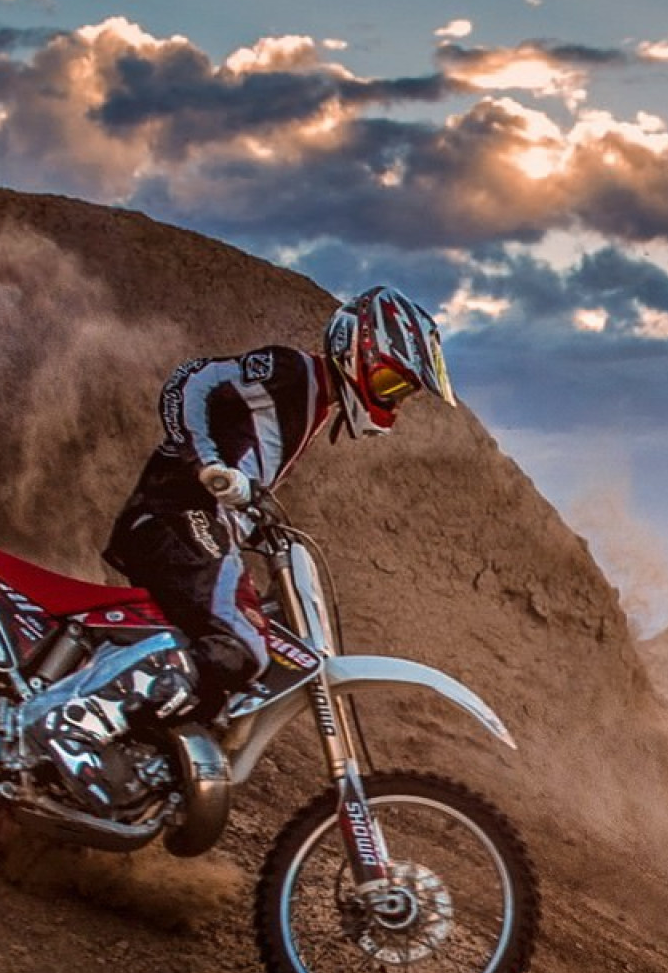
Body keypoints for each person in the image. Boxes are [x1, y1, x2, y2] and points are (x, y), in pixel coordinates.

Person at [33, 287, 451, 808]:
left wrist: (255, 520)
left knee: (238, 646)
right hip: (173, 515)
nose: (390, 399)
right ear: (354, 350)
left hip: (194, 522)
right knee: (241, 644)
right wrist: (209, 464)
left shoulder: (312, 407)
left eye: (401, 391)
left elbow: (243, 472)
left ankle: (135, 757)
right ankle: (75, 724)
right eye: (389, 379)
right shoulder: (293, 373)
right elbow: (193, 380)